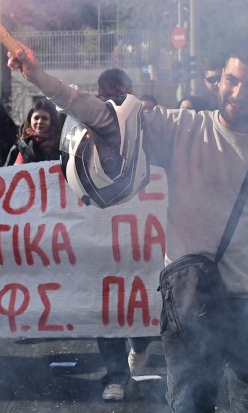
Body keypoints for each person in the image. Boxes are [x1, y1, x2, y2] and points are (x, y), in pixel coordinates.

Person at [8, 40, 248, 412]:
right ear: (219, 80)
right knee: (189, 407)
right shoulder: (181, 128)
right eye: (232, 80)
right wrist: (41, 78)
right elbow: (105, 119)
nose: (239, 93)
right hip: (189, 305)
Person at [90, 68, 156, 402]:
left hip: (141, 229)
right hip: (102, 231)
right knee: (109, 305)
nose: (115, 98)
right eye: (108, 92)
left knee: (142, 294)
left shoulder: (147, 124)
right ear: (99, 94)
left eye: (121, 91)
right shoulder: (84, 127)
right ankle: (115, 375)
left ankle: (141, 341)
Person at [5, 101, 60, 167]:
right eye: (36, 118)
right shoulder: (19, 147)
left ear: (51, 121)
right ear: (30, 119)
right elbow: (6, 174)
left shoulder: (59, 147)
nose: (40, 122)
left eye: (44, 118)